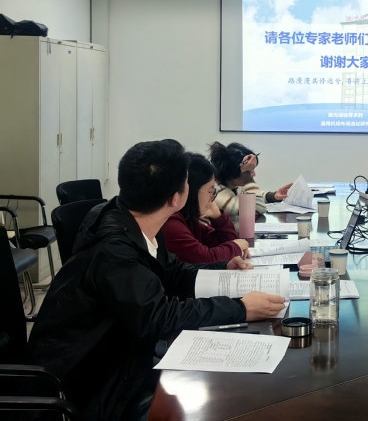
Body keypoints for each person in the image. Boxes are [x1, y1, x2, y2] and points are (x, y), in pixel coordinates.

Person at [26, 139, 286, 420]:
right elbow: (158, 316)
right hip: (89, 388)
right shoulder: (114, 250)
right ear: (176, 198)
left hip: (121, 361)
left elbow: (171, 272)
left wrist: (223, 266)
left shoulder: (134, 219)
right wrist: (240, 308)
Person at [162, 153, 251, 263]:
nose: (213, 197)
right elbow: (205, 258)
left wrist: (218, 217)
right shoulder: (170, 223)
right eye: (210, 191)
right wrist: (235, 246)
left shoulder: (189, 218)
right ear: (191, 191)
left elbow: (222, 244)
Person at [209, 141, 292, 228]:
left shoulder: (232, 186)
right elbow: (257, 208)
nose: (254, 175)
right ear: (234, 172)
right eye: (250, 171)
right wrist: (246, 176)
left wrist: (273, 196)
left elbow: (252, 197)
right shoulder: (217, 195)